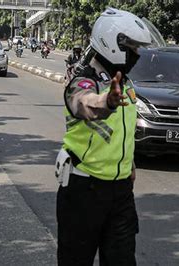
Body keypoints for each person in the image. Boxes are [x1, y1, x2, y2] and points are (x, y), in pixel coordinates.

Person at [55, 8, 155, 265]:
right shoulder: (83, 80)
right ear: (113, 43)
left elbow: (123, 130)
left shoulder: (126, 83)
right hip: (83, 190)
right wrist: (106, 102)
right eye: (131, 47)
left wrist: (129, 163)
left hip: (121, 192)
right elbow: (83, 103)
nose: (137, 54)